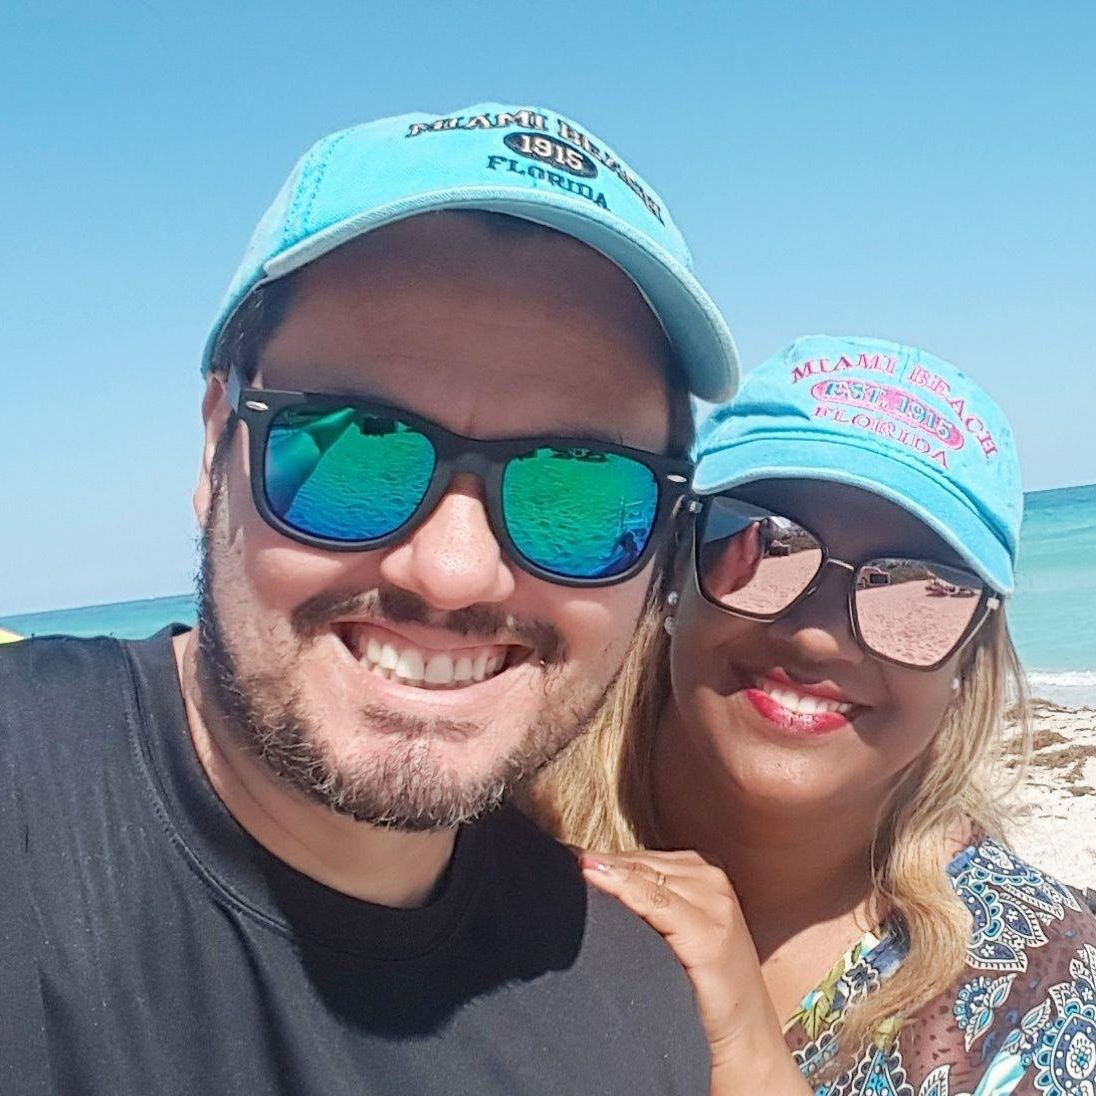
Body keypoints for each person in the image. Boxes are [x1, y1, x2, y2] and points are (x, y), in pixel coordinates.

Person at [0, 103, 744, 1095]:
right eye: (357, 445)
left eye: (577, 487)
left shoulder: (633, 1014)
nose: (453, 572)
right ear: (216, 447)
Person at [531, 336, 1096, 1095]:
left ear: (969, 660)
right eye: (768, 544)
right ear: (675, 567)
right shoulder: (482, 835)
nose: (817, 635)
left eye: (915, 587)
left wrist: (756, 1068)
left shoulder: (1039, 997)